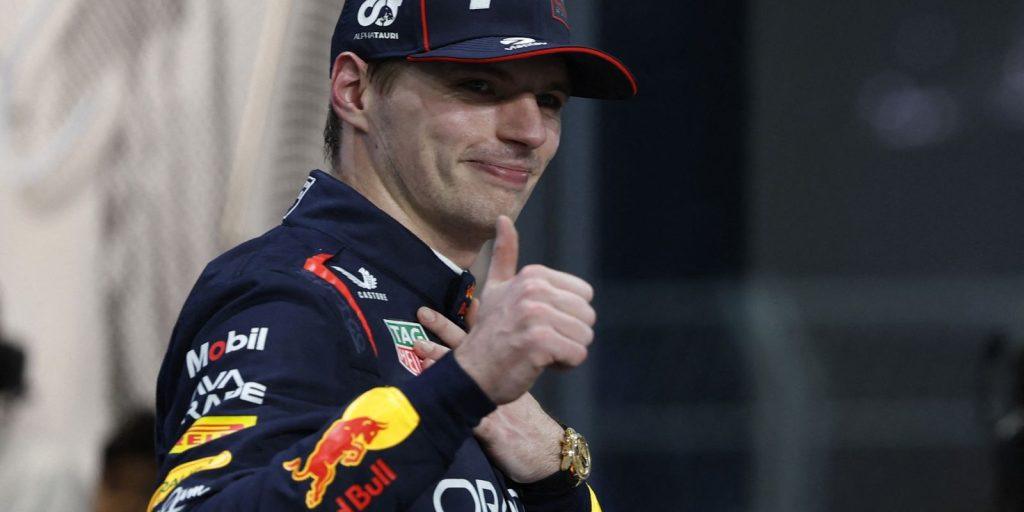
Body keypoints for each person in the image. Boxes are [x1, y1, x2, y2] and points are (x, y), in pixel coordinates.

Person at [151, 1, 636, 510]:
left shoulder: (453, 320)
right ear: (354, 91)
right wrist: (461, 390)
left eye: (549, 99)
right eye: (479, 86)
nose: (529, 131)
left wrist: (553, 475)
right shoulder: (292, 293)